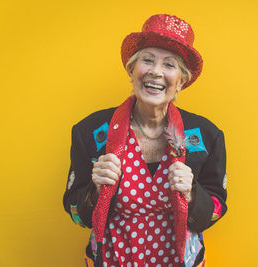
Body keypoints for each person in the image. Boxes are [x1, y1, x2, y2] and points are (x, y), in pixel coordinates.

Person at [63, 14, 227, 267]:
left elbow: (216, 209)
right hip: (111, 260)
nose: (155, 71)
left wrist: (192, 194)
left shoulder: (207, 136)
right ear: (132, 70)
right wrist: (96, 190)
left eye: (169, 65)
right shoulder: (89, 132)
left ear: (182, 81)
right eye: (147, 60)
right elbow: (76, 214)